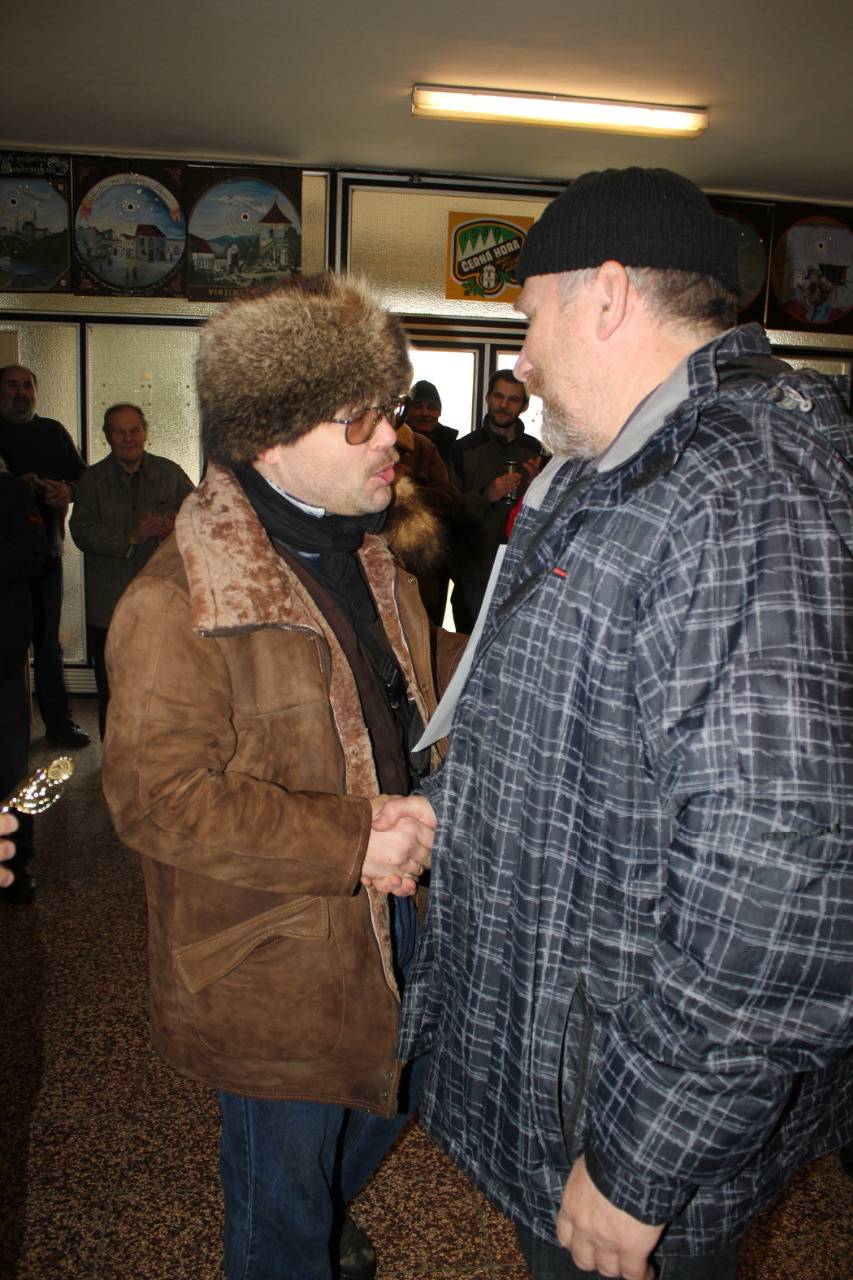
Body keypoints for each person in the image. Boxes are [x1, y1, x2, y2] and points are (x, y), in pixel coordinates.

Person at [400, 167, 853, 1280]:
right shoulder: (618, 471)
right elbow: (565, 720)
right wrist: (443, 810)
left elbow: (781, 879)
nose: (519, 360)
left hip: (623, 1109)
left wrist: (639, 1161)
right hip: (571, 1065)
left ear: (605, 295)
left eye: (528, 319)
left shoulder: (740, 488)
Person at [101, 273, 465, 1280]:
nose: (390, 437)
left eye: (388, 407)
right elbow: (155, 800)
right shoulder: (177, 599)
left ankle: (318, 1218)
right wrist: (354, 838)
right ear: (267, 439)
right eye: (358, 419)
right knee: (283, 1197)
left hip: (399, 904)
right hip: (277, 952)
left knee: (408, 1086)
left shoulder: (370, 552)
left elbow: (406, 674)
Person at [69, 403, 193, 737]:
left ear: (145, 432)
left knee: (165, 686)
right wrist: (130, 537)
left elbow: (200, 517)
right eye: (119, 432)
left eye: (134, 430)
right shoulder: (92, 479)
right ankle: (114, 757)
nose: (128, 438)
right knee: (114, 689)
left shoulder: (170, 473)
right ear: (107, 437)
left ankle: (161, 756)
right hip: (108, 605)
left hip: (163, 600)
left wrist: (175, 526)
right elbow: (80, 530)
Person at [0, 364, 89, 748]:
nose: (21, 392)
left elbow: (84, 479)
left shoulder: (52, 432)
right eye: (12, 385)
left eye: (27, 386)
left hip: (47, 557)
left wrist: (67, 490)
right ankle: (10, 737)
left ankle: (58, 726)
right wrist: (10, 488)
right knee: (6, 649)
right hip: (4, 569)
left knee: (49, 647)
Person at [450, 369, 543, 631]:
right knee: (466, 650)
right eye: (499, 396)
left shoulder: (537, 452)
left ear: (525, 406)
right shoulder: (462, 449)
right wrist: (488, 495)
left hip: (520, 578)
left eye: (513, 399)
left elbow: (551, 518)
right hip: (471, 578)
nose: (504, 405)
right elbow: (448, 513)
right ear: (488, 398)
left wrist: (540, 488)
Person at [0, 462, 47, 903]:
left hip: (2, 655)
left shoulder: (12, 492)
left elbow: (34, 555)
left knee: (10, 767)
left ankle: (14, 864)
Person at [390, 417, 460, 625]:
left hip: (418, 571)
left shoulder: (422, 447)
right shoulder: (358, 441)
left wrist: (409, 489)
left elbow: (451, 501)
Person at [404, 380, 460, 472]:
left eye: (431, 408)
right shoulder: (392, 442)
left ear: (439, 413)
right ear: (406, 411)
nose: (425, 413)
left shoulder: (453, 450)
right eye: (418, 407)